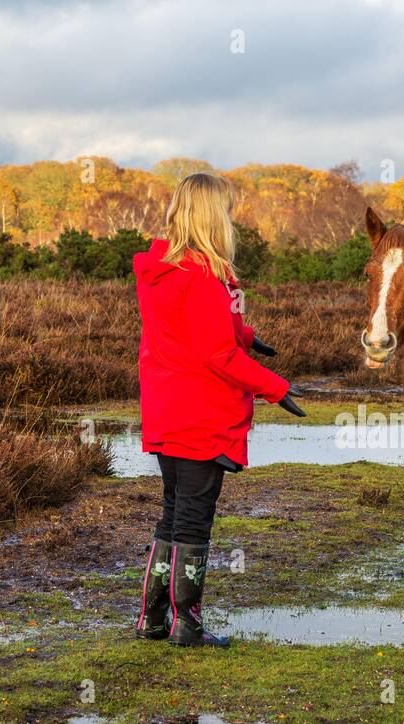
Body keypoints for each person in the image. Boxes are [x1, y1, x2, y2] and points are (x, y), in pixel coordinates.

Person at [133, 172, 305, 647]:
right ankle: (186, 624)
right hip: (201, 414)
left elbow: (186, 326)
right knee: (192, 519)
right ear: (212, 216)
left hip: (166, 410)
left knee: (172, 514)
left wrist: (247, 335)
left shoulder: (162, 270)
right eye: (225, 210)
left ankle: (153, 619)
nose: (230, 219)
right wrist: (276, 387)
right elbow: (217, 355)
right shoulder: (205, 276)